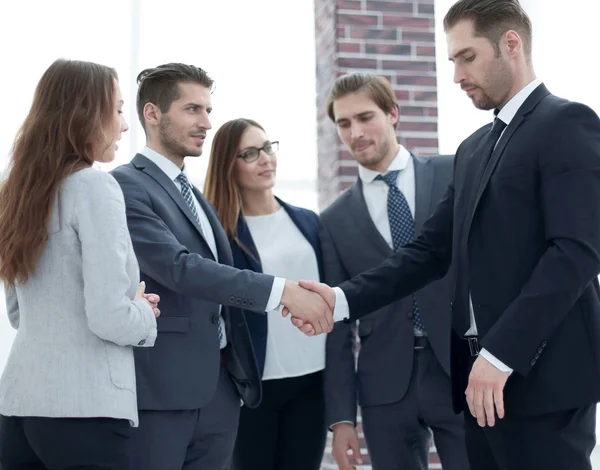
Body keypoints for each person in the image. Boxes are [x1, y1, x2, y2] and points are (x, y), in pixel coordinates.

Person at [299, 0, 600, 469]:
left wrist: (499, 355)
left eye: (467, 57)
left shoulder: (566, 123)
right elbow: (426, 252)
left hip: (543, 379)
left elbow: (576, 253)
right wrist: (339, 300)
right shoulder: (474, 148)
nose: (457, 75)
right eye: (452, 61)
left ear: (511, 44)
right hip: (477, 385)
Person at [110, 64, 332, 470]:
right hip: (165, 389)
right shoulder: (127, 184)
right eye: (193, 109)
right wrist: (282, 292)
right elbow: (179, 268)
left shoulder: (193, 194)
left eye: (208, 110)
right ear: (153, 114)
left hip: (222, 388)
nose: (206, 123)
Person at [0, 59, 159, 470]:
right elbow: (109, 318)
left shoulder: (18, 192)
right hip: (86, 412)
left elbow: (19, 314)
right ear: (86, 113)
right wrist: (144, 312)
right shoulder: (94, 185)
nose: (125, 125)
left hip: (19, 408)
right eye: (119, 109)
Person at [320, 73, 469, 470]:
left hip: (460, 368)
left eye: (366, 117)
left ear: (393, 113)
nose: (356, 132)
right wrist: (341, 419)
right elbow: (337, 324)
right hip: (384, 385)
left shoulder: (454, 173)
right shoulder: (333, 221)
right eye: (344, 123)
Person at [204, 118, 327, 470]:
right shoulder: (222, 235)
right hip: (253, 389)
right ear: (230, 165)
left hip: (311, 380)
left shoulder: (308, 222)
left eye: (268, 147)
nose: (265, 159)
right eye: (250, 153)